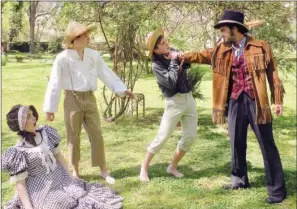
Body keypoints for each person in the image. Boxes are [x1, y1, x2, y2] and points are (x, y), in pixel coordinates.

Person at [179, 10, 287, 203]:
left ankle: (277, 190)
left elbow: (272, 73)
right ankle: (239, 180)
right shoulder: (222, 50)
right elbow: (201, 55)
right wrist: (181, 55)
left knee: (267, 145)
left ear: (235, 29)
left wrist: (277, 100)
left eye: (223, 30)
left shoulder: (260, 47)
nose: (221, 33)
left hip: (257, 103)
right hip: (235, 102)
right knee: (236, 143)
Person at [43, 21, 134, 184]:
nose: (87, 37)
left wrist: (122, 89)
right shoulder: (62, 59)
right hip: (72, 99)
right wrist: (50, 108)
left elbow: (106, 74)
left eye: (87, 34)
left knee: (96, 134)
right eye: (83, 35)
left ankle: (103, 170)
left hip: (89, 99)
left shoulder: (93, 55)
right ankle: (76, 171)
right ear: (74, 39)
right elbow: (54, 82)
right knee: (73, 136)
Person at [2, 104, 123, 209]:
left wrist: (70, 176)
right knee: (56, 205)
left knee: (78, 194)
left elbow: (58, 157)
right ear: (21, 124)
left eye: (32, 114)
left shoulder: (45, 133)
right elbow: (21, 184)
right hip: (40, 188)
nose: (34, 117)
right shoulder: (17, 152)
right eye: (28, 116)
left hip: (59, 176)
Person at [139, 27, 198, 182]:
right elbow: (171, 82)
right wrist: (173, 59)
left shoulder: (172, 52)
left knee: (190, 136)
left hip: (189, 99)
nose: (168, 44)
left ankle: (172, 166)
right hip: (174, 102)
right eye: (164, 43)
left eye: (166, 41)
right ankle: (144, 168)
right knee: (163, 136)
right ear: (156, 50)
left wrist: (181, 57)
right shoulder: (156, 66)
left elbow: (187, 66)